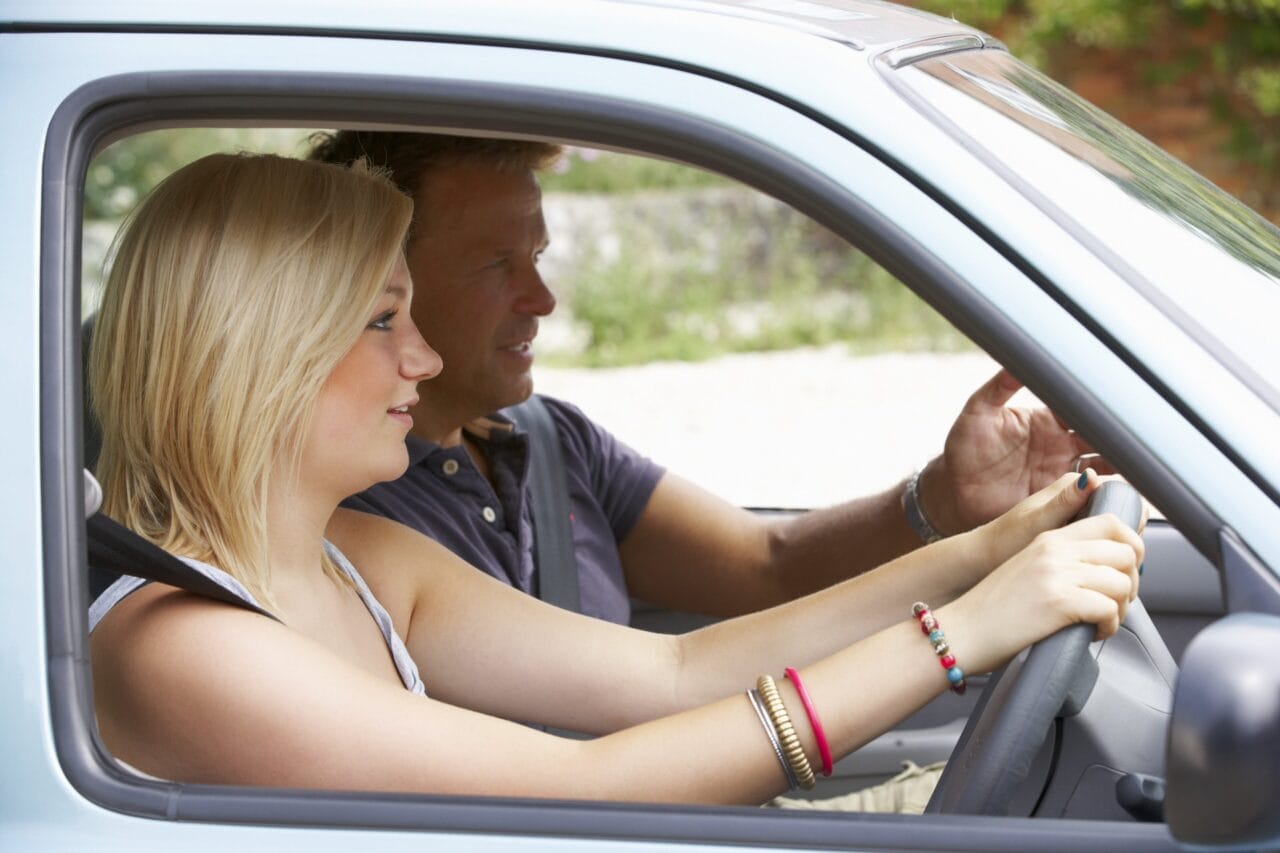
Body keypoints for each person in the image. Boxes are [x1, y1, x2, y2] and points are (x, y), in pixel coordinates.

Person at [87, 152, 1142, 804]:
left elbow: (671, 674)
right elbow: (587, 783)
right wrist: (960, 633)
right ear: (259, 352)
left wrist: (985, 551)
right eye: (381, 320)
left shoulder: (356, 558)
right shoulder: (184, 646)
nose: (423, 357)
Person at [307, 131, 1110, 627]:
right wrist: (970, 620)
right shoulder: (337, 510)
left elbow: (767, 564)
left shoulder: (553, 440)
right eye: (496, 264)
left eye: (538, 257)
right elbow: (669, 683)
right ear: (379, 283)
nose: (542, 298)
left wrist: (946, 499)